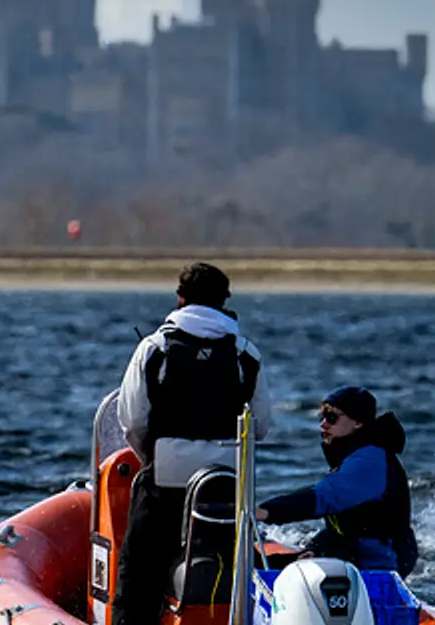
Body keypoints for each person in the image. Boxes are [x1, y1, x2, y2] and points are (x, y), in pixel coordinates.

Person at [110, 261, 273, 625]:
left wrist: (154, 457)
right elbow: (260, 425)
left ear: (180, 298)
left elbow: (132, 419)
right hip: (226, 484)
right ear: (224, 301)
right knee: (230, 568)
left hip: (164, 480)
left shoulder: (154, 348)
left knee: (138, 570)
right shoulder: (246, 354)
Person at [254, 386, 419, 578]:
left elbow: (324, 498)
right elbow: (340, 527)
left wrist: (267, 512)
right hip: (351, 549)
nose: (323, 424)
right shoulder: (351, 456)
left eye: (332, 417)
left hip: (382, 561)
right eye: (322, 416)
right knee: (268, 563)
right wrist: (315, 549)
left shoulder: (370, 459)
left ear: (358, 422)